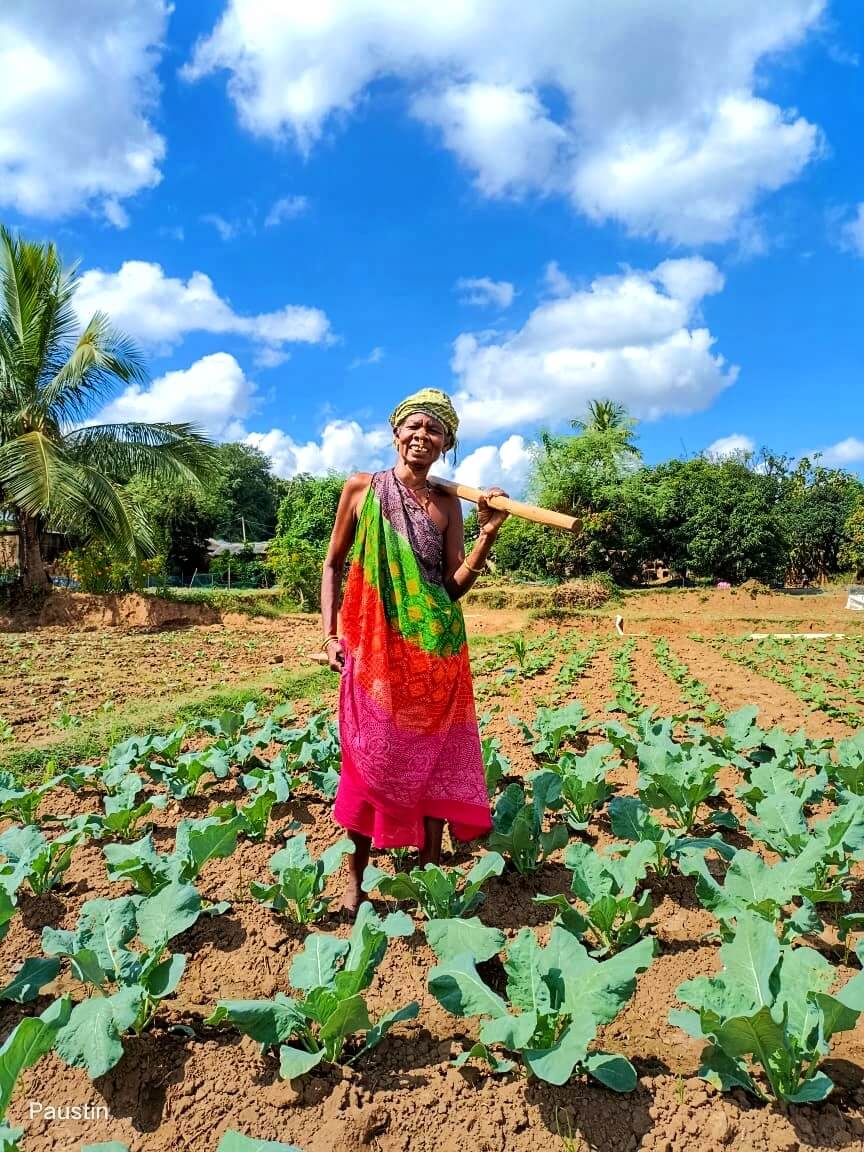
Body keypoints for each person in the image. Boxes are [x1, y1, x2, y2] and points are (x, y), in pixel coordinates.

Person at [320, 388, 508, 916]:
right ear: (396, 432)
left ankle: (426, 877)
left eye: (435, 431)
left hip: (435, 653)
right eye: (414, 426)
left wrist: (486, 536)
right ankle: (356, 877)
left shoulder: (448, 503)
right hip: (375, 648)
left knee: (429, 761)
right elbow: (333, 564)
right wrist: (330, 633)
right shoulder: (362, 489)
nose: (422, 437)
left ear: (446, 444)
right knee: (368, 756)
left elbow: (449, 587)